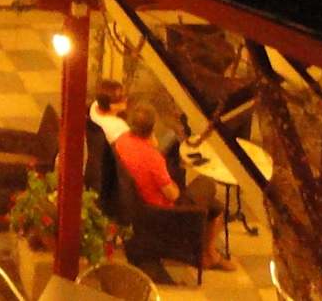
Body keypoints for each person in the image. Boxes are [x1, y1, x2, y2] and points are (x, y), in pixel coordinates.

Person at [114, 102, 234, 271]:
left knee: (216, 207)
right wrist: (175, 186)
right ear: (152, 128)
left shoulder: (122, 141)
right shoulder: (152, 158)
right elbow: (173, 195)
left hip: (138, 203)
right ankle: (209, 256)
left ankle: (209, 253)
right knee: (207, 183)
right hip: (161, 212)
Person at [90, 77, 130, 144]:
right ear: (111, 106)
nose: (126, 99)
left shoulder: (94, 106)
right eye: (121, 97)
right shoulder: (121, 128)